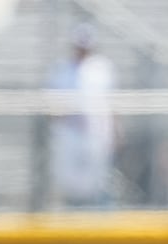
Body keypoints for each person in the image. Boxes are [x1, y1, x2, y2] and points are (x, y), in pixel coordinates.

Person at [46, 23, 116, 208]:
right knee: (68, 178)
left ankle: (94, 214)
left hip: (96, 131)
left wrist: (116, 129)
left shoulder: (101, 68)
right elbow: (53, 102)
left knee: (97, 177)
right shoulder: (62, 68)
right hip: (69, 130)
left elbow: (111, 102)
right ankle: (70, 212)